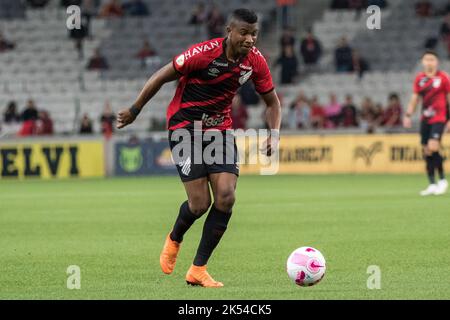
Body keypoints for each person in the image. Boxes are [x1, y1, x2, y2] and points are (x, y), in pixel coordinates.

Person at [115, 9, 281, 288]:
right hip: (185, 129)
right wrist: (135, 109)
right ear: (229, 30)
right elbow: (160, 76)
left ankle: (198, 269)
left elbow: (273, 103)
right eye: (244, 32)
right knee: (200, 203)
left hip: (220, 131)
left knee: (226, 197)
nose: (250, 39)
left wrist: (274, 134)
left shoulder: (255, 62)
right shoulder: (203, 54)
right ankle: (175, 238)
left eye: (254, 34)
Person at [403, 50, 449, 196]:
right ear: (423, 62)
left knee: (433, 146)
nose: (429, 62)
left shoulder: (443, 78)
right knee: (427, 151)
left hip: (439, 118)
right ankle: (432, 183)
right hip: (425, 119)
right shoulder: (420, 79)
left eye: (432, 59)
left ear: (437, 62)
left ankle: (442, 180)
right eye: (426, 59)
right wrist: (408, 115)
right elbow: (415, 99)